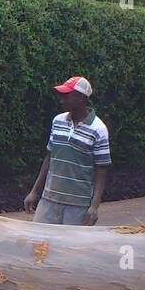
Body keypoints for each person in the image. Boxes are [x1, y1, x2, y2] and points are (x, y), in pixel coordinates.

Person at [24, 75, 111, 226]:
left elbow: (101, 169)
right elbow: (49, 157)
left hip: (78, 205)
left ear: (80, 98)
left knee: (71, 249)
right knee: (40, 246)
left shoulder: (98, 129)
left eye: (66, 95)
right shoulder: (58, 121)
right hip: (49, 200)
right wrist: (34, 192)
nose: (61, 99)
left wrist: (94, 207)